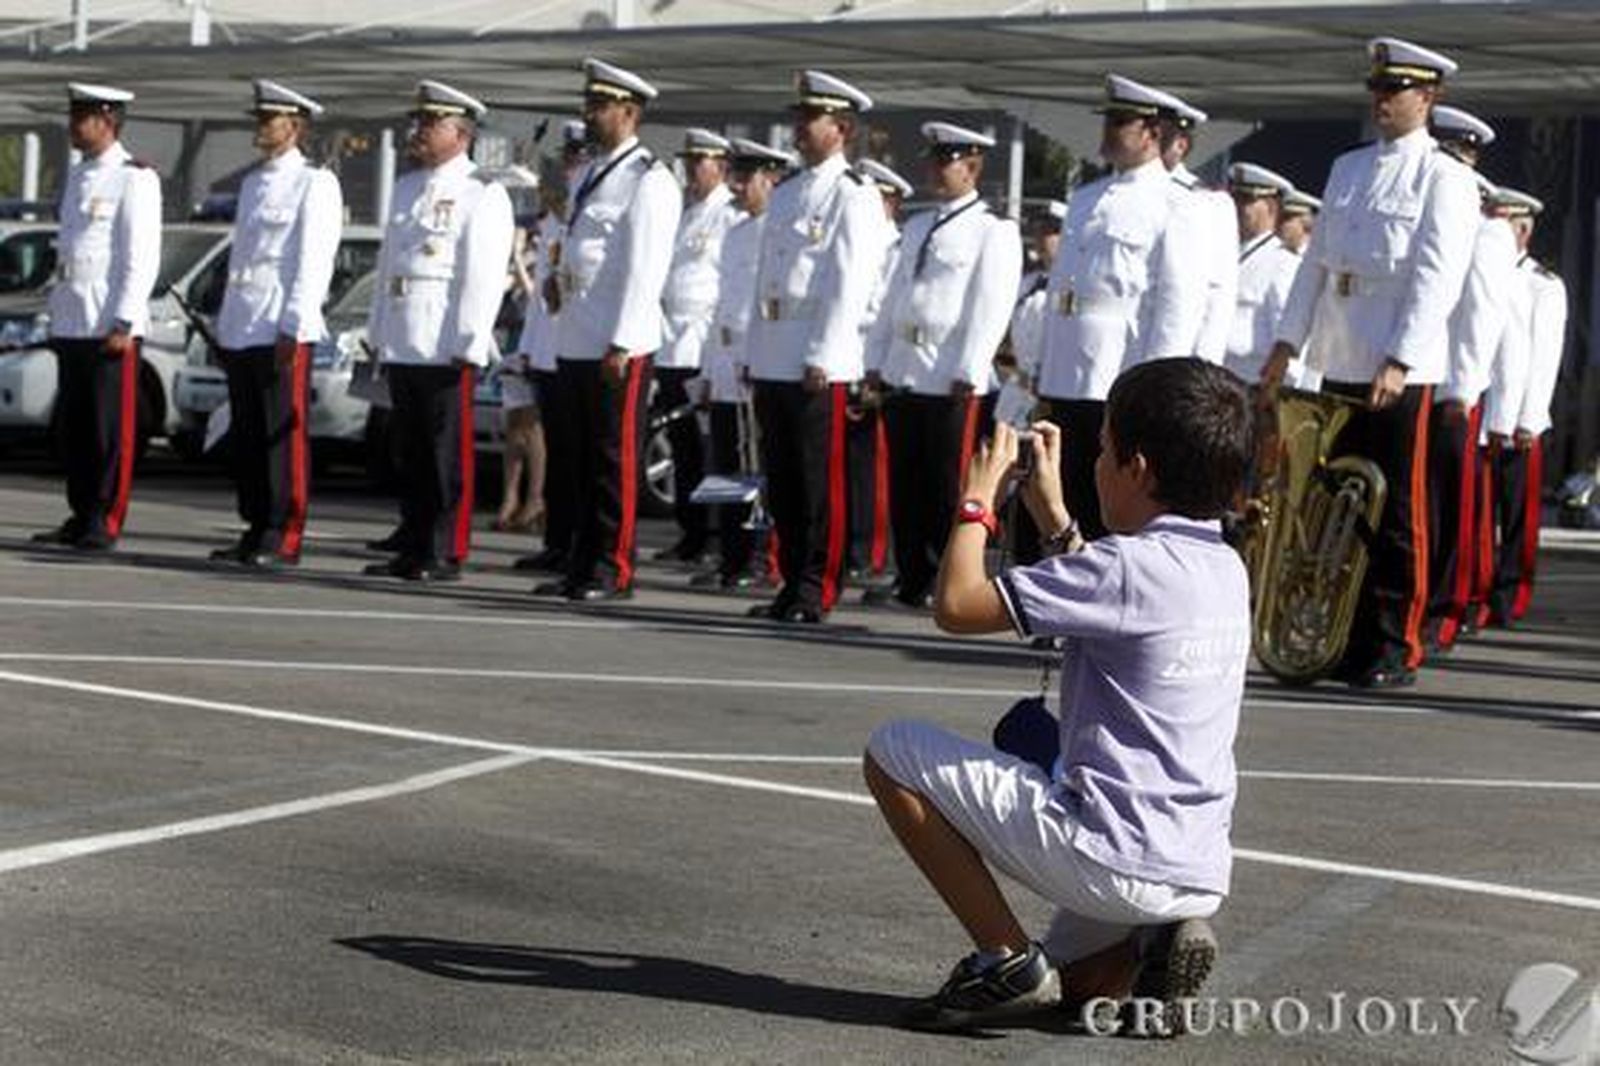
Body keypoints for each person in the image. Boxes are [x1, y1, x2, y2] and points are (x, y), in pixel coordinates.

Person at [864, 358, 1252, 1035]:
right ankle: (1149, 942)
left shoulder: (1126, 567)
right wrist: (1055, 518)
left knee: (892, 751)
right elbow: (1113, 603)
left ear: (1138, 468)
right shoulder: (1224, 566)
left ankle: (1006, 959)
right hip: (1191, 860)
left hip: (1109, 852)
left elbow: (955, 603)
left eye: (1103, 449)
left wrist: (977, 497)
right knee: (1078, 992)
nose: (1095, 462)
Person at [1265, 37, 1480, 688]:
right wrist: (1287, 342)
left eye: (1398, 91)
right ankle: (1342, 637)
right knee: (1337, 508)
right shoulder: (1348, 168)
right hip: (1340, 351)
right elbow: (1315, 266)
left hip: (1396, 365)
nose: (1383, 101)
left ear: (1429, 98)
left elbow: (1436, 277)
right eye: (1378, 90)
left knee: (1398, 514)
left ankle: (1395, 643)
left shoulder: (1444, 176)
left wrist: (1402, 357)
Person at [1036, 74, 1205, 541]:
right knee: (1062, 491)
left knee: (1105, 502)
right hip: (1068, 369)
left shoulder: (1175, 203)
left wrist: (1154, 385)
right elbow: (1062, 291)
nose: (1110, 130)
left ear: (1152, 133)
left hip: (1116, 371)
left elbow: (1174, 303)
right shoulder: (1087, 198)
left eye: (1122, 122)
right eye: (1109, 120)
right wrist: (1044, 361)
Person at [536, 59, 680, 602]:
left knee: (611, 459)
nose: (590, 116)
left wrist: (623, 340)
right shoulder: (593, 174)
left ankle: (612, 567)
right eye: (588, 106)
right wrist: (552, 280)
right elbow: (576, 244)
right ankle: (579, 561)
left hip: (617, 340)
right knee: (575, 457)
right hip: (577, 330)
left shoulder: (650, 178)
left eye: (599, 107)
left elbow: (644, 267)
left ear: (629, 111)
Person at [744, 70, 885, 624]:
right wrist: (756, 354)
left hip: (816, 358)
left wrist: (824, 354)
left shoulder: (855, 195)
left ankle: (816, 587)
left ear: (842, 128)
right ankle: (789, 583)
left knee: (817, 481)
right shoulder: (787, 192)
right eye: (798, 117)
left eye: (811, 118)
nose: (799, 128)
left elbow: (848, 280)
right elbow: (766, 279)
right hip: (777, 349)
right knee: (783, 480)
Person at [863, 122, 1021, 611]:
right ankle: (912, 574)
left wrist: (971, 367)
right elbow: (894, 298)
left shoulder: (992, 231)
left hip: (950, 371)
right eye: (934, 159)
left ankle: (948, 575)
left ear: (971, 167)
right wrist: (877, 360)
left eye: (945, 160)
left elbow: (990, 304)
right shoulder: (917, 226)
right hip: (907, 366)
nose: (935, 168)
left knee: (946, 483)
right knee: (906, 481)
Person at [363, 80, 515, 582]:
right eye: (420, 122)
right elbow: (390, 265)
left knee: (443, 451)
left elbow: (482, 275)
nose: (421, 131)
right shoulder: (407, 187)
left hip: (443, 341)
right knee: (409, 449)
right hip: (406, 335)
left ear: (463, 133)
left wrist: (469, 342)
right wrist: (379, 330)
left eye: (432, 123)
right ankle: (414, 538)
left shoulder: (482, 193)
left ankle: (444, 547)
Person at [209, 80, 343, 570]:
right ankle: (255, 523)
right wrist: (226, 325)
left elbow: (313, 261)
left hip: (279, 323)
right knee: (248, 432)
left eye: (271, 119)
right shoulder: (251, 183)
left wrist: (295, 324)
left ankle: (284, 531)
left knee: (280, 436)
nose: (261, 127)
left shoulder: (315, 182)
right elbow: (244, 258)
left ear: (296, 126)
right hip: (244, 321)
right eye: (259, 118)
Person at [31, 83, 161, 552]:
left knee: (111, 429)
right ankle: (81, 510)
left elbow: (139, 255)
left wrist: (124, 320)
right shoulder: (79, 175)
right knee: (76, 427)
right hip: (73, 317)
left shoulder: (134, 178)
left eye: (81, 117)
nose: (73, 126)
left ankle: (105, 516)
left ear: (107, 121)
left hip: (108, 321)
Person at [1424, 107, 1517, 653]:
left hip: (1454, 384)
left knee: (1449, 506)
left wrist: (1463, 387)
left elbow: (1481, 314)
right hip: (1421, 374)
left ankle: (1446, 607)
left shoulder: (1485, 226)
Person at [691, 137, 793, 590]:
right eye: (735, 176)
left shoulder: (779, 232)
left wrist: (754, 360)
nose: (737, 187)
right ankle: (731, 554)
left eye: (745, 177)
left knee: (761, 466)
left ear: (770, 179)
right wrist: (711, 369)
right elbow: (721, 307)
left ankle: (761, 555)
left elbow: (766, 305)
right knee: (727, 466)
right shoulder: (734, 232)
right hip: (727, 360)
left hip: (757, 361)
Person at [1481, 188, 1567, 626]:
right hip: (1483, 411)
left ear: (1521, 231)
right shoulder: (1480, 273)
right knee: (1479, 509)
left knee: (1516, 514)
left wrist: (1530, 418)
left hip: (1519, 419)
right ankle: (1478, 588)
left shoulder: (1542, 285)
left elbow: (1544, 357)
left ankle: (1512, 592)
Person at [655, 128, 739, 566]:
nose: (691, 171)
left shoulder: (728, 215)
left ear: (720, 166)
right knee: (683, 445)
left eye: (699, 163)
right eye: (688, 163)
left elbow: (725, 287)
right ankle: (690, 531)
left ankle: (715, 534)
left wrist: (713, 358)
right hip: (674, 342)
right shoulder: (689, 214)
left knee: (712, 447)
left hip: (704, 344)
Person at [513, 119, 588, 575]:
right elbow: (542, 294)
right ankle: (557, 541)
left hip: (576, 348)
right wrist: (529, 344)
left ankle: (579, 542)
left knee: (580, 456)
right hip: (549, 349)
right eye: (568, 158)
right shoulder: (556, 221)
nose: (569, 165)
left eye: (578, 157)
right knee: (559, 455)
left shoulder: (578, 220)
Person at [847, 157, 913, 588]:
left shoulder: (896, 246)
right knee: (851, 463)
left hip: (878, 361)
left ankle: (870, 549)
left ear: (889, 202)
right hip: (853, 356)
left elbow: (883, 313)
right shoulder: (868, 244)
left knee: (873, 464)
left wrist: (875, 371)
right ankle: (854, 545)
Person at [1160, 96, 1238, 366]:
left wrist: (1204, 364)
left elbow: (1219, 292)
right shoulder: (1116, 195)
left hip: (1174, 353)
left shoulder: (1207, 201)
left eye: (1159, 137)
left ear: (1181, 145)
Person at [1222, 162, 1304, 388]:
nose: (1237, 207)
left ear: (1270, 206)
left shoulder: (1283, 263)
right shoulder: (1225, 252)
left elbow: (1288, 333)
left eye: (1246, 201)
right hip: (1221, 377)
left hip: (1254, 381)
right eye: (1234, 199)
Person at [495, 224, 547, 535]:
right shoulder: (525, 258)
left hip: (537, 343)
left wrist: (517, 256)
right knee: (514, 429)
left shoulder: (541, 257)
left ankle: (535, 499)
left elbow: (535, 295)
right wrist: (514, 258)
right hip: (514, 342)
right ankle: (509, 498)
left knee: (533, 429)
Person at [1276, 188, 1320, 255]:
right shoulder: (1273, 252)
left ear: (1307, 223)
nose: (1280, 223)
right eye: (1280, 217)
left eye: (1287, 218)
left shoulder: (1317, 256)